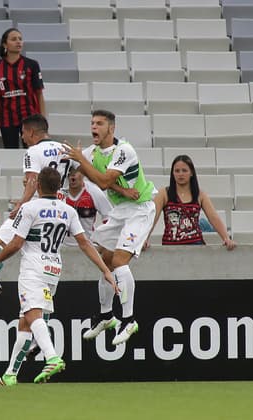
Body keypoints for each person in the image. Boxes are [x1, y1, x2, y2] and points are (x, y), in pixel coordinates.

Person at [0, 167, 116, 386]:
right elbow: (85, 243)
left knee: (32, 315)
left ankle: (52, 357)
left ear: (38, 185)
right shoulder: (67, 211)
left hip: (33, 269)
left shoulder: (30, 208)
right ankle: (10, 375)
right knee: (25, 322)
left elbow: (15, 244)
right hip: (53, 270)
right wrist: (105, 270)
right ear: (58, 186)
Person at [63, 109, 157, 346]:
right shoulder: (92, 153)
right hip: (121, 211)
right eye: (92, 122)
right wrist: (123, 190)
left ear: (111, 128)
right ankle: (106, 315)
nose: (94, 127)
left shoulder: (124, 150)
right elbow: (95, 177)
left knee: (118, 262)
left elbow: (103, 181)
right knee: (103, 259)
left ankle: (129, 320)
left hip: (140, 209)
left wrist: (81, 161)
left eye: (100, 123)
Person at [0, 114, 71, 311]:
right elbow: (78, 175)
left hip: (35, 208)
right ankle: (38, 329)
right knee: (44, 280)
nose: (22, 138)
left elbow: (33, 182)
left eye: (23, 133)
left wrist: (20, 205)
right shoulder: (66, 149)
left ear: (32, 132)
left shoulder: (33, 151)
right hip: (59, 212)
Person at [144, 155, 236, 250]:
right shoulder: (164, 193)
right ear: (173, 173)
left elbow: (213, 217)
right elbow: (152, 217)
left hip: (196, 246)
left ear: (191, 172)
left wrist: (226, 238)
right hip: (170, 246)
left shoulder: (200, 194)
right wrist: (143, 239)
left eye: (184, 170)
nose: (180, 174)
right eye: (177, 171)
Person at [0, 27, 45, 149]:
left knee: (32, 152)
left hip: (29, 118)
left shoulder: (32, 65)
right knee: (11, 153)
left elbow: (39, 94)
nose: (18, 42)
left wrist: (42, 120)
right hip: (7, 119)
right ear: (5, 44)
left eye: (20, 39)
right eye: (14, 39)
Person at [63, 166, 113, 247]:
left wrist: (102, 239)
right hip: (62, 246)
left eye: (75, 173)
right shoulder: (60, 193)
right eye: (70, 174)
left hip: (88, 245)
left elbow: (109, 217)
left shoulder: (94, 192)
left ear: (83, 174)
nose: (72, 177)